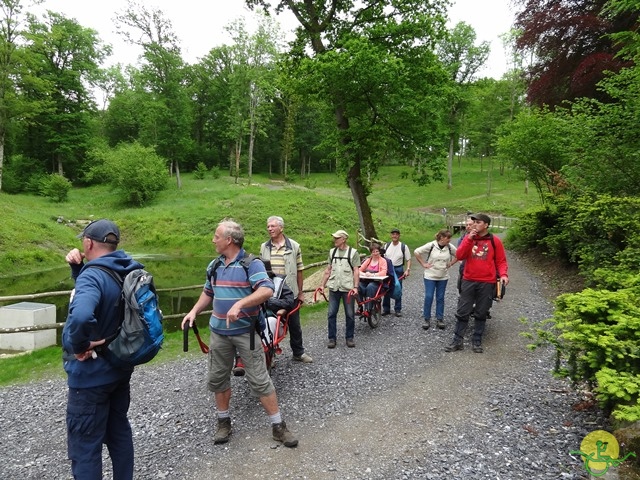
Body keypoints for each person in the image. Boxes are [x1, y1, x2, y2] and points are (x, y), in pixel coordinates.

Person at [181, 219, 298, 448]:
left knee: (260, 379)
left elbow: (265, 290)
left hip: (246, 332)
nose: (213, 240)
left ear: (229, 240)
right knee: (218, 378)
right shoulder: (214, 265)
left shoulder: (251, 264)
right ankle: (223, 422)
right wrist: (194, 311)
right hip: (219, 333)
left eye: (216, 236)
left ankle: (278, 426)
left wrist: (240, 304)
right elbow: (208, 292)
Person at [62, 219, 143, 480]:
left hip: (91, 377)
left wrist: (79, 346)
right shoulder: (124, 268)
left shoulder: (93, 276)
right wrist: (78, 271)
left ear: (88, 243)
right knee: (118, 431)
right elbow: (109, 303)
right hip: (119, 368)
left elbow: (83, 314)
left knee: (85, 447)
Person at [445, 213, 509, 353]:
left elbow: (501, 261)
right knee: (463, 311)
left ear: (486, 225)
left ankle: (477, 341)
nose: (474, 225)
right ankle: (457, 341)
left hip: (487, 282)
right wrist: (469, 239)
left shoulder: (494, 241)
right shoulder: (468, 239)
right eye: (473, 222)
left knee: (481, 312)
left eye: (478, 222)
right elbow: (460, 255)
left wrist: (503, 275)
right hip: (468, 280)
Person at [260, 216, 313, 363]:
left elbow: (300, 270)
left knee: (294, 324)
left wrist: (301, 292)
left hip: (290, 291)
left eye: (272, 226)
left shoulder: (294, 246)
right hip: (271, 291)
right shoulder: (264, 247)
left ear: (281, 228)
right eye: (268, 226)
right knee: (268, 321)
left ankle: (298, 352)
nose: (269, 228)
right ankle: (270, 354)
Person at [320, 229, 361, 348]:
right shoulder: (332, 252)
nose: (334, 240)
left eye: (337, 238)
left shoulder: (353, 253)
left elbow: (356, 271)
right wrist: (322, 285)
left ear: (344, 239)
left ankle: (350, 337)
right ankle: (332, 338)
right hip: (334, 288)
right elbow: (328, 270)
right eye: (334, 238)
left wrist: (355, 287)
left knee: (349, 314)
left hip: (347, 288)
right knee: (331, 313)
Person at [414, 229, 458, 330]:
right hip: (430, 275)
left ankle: (440, 318)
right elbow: (417, 252)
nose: (449, 240)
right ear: (441, 237)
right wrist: (423, 263)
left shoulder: (450, 247)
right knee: (429, 296)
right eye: (448, 238)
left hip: (443, 276)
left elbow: (459, 255)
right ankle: (426, 318)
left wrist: (451, 263)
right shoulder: (432, 245)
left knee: (440, 297)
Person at [382, 228, 411, 317]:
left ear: (399, 236)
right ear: (391, 235)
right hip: (387, 269)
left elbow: (408, 259)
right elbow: (382, 257)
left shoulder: (403, 246)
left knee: (397, 288)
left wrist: (407, 269)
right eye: (393, 234)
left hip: (398, 269)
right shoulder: (386, 246)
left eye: (396, 234)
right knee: (386, 288)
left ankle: (397, 309)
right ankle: (386, 309)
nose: (394, 236)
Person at [357, 242, 388, 313]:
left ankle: (368, 308)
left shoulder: (383, 261)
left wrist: (373, 275)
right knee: (357, 286)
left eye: (377, 251)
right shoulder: (368, 260)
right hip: (366, 280)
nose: (375, 253)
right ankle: (360, 305)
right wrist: (364, 274)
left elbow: (383, 272)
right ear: (371, 253)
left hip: (377, 282)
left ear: (379, 252)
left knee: (370, 287)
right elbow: (359, 270)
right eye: (373, 252)